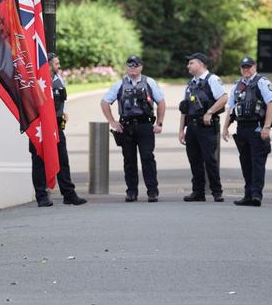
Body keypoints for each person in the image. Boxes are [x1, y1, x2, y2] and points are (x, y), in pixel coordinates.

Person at [101, 55, 166, 202]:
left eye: (135, 65)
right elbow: (104, 102)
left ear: (141, 67)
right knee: (129, 160)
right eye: (130, 66)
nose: (132, 68)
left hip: (145, 126)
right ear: (126, 67)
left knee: (147, 159)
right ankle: (131, 192)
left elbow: (161, 102)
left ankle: (152, 191)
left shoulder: (150, 82)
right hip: (126, 127)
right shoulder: (119, 84)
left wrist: (159, 124)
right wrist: (112, 122)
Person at [31, 53, 87, 207]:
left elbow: (62, 99)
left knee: (63, 159)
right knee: (39, 160)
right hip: (40, 126)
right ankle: (41, 196)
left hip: (56, 124)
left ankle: (69, 194)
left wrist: (63, 112)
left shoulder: (58, 79)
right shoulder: (36, 80)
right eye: (56, 63)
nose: (59, 65)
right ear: (47, 64)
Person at [222, 56, 272, 207]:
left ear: (254, 67)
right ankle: (247, 195)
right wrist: (225, 127)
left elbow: (270, 104)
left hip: (257, 126)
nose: (246, 70)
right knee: (245, 162)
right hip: (242, 128)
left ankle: (256, 195)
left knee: (257, 162)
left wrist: (267, 127)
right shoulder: (237, 85)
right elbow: (231, 108)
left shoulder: (262, 82)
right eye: (243, 67)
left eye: (249, 67)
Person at [178, 53, 227, 202]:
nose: (188, 66)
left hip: (206, 126)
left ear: (201, 64)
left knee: (209, 159)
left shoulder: (212, 79)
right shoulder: (191, 83)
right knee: (194, 160)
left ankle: (217, 191)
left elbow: (224, 98)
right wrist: (181, 130)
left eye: (191, 63)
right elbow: (185, 108)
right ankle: (198, 192)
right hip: (191, 126)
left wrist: (209, 112)